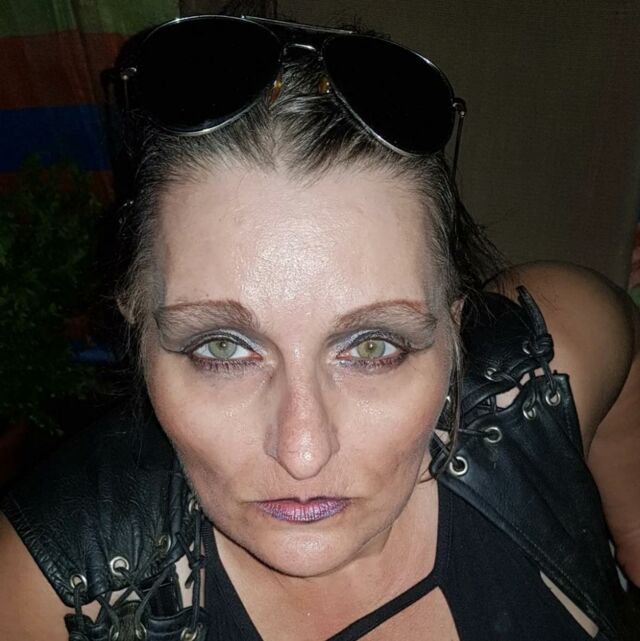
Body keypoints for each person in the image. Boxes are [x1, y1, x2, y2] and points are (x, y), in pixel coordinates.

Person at [1, 14, 639, 641]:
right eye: (222, 347)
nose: (303, 454)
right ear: (137, 331)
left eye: (373, 346)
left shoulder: (559, 353)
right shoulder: (38, 595)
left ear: (454, 328)